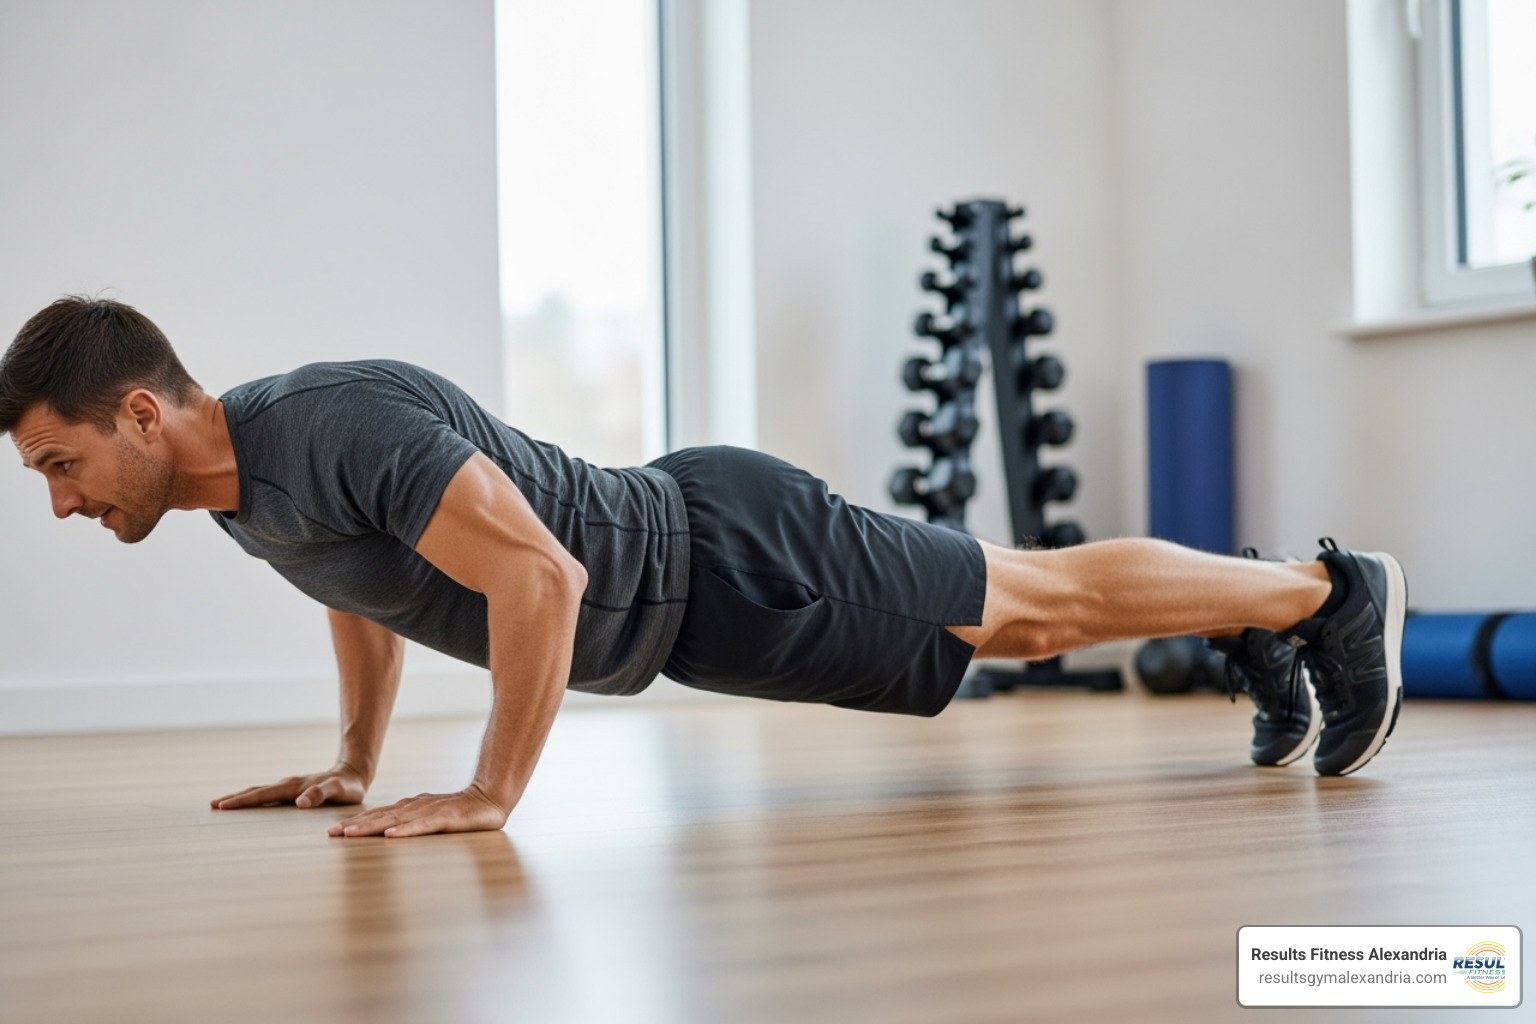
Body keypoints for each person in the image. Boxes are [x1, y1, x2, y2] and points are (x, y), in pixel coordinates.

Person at [0, 296, 1406, 838]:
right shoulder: (239, 494)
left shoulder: (331, 422)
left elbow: (538, 576)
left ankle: (1325, 596)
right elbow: (357, 594)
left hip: (724, 552)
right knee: (1020, 618)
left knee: (1034, 607)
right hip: (698, 617)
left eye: (58, 465)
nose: (61, 505)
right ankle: (1266, 622)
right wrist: (355, 758)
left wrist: (491, 794)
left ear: (141, 413)